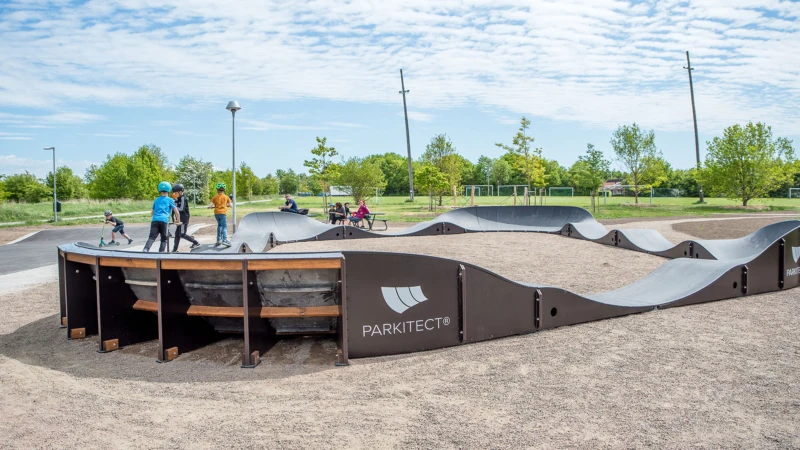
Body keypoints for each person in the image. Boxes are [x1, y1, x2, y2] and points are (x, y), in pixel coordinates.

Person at [143, 181, 180, 252]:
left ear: (159, 190)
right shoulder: (170, 200)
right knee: (164, 239)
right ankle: (161, 252)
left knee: (152, 237)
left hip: (155, 220)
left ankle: (146, 249)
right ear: (169, 190)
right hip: (164, 221)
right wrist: (177, 220)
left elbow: (152, 212)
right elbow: (176, 212)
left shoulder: (156, 200)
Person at [171, 184, 201, 252]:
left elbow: (181, 208)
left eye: (176, 193)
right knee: (177, 235)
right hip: (180, 219)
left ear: (180, 192)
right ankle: (174, 250)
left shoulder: (183, 198)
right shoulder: (178, 198)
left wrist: (174, 208)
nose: (175, 194)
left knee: (182, 234)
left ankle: (196, 242)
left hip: (184, 219)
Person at [207, 182, 233, 247]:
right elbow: (231, 205)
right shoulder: (226, 197)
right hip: (223, 213)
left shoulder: (214, 197)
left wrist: (211, 206)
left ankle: (218, 240)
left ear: (217, 190)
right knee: (224, 226)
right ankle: (225, 240)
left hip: (216, 213)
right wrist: (227, 205)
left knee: (219, 225)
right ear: (224, 190)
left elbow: (210, 206)